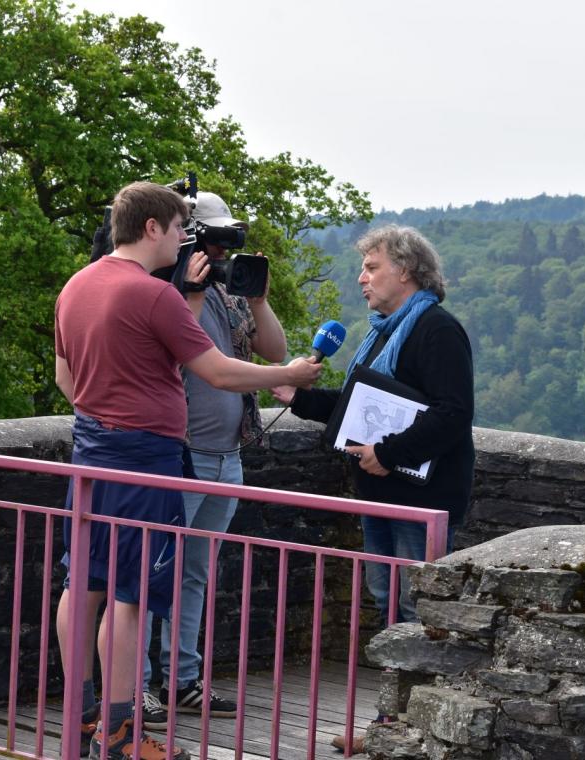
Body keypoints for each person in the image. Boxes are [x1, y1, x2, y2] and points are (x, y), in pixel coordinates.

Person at [53, 181, 322, 760]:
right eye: (179, 228)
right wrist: (294, 377)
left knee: (84, 585)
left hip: (91, 451)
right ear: (152, 227)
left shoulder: (77, 285)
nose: (184, 240)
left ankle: (83, 720)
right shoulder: (154, 296)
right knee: (132, 596)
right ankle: (122, 736)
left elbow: (66, 381)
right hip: (146, 460)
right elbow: (220, 373)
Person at [272, 224, 474, 751]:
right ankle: (391, 725)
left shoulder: (436, 329)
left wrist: (388, 454)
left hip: (420, 500)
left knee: (417, 611)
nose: (362, 278)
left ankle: (414, 729)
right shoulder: (386, 330)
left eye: (372, 267)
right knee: (389, 606)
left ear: (405, 271)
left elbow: (453, 414)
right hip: (381, 493)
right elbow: (363, 406)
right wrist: (299, 398)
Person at [137, 191, 286, 727]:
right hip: (180, 455)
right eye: (212, 238)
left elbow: (274, 350)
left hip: (226, 456)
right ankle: (138, 686)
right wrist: (191, 291)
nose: (222, 250)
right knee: (151, 574)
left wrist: (261, 299)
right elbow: (177, 361)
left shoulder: (230, 293)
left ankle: (181, 681)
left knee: (194, 575)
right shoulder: (160, 292)